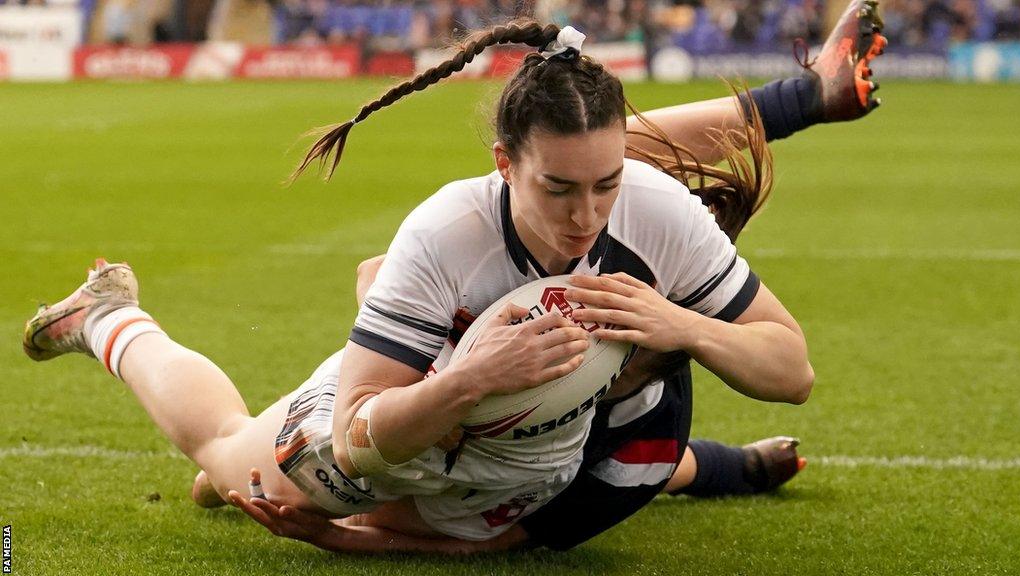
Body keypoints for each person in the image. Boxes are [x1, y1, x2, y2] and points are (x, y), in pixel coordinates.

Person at [23, 0, 884, 554]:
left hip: (515, 454)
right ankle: (108, 317)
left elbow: (790, 371)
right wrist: (465, 379)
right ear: (503, 164)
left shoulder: (652, 215)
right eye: (558, 189)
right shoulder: (447, 228)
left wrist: (684, 325)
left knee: (566, 437)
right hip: (409, 417)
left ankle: (804, 97)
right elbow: (362, 435)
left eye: (608, 185)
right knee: (234, 457)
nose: (589, 216)